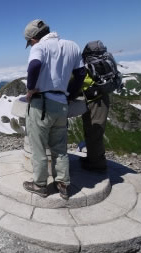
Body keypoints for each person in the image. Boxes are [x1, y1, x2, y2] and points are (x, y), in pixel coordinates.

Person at [21, 19, 86, 200]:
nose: (31, 44)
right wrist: (71, 93)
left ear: (34, 38)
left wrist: (31, 88)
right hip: (61, 104)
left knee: (39, 146)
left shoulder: (39, 47)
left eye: (30, 42)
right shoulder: (72, 46)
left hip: (41, 104)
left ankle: (40, 185)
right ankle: (63, 184)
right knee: (60, 147)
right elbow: (81, 73)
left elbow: (34, 66)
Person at [79, 41, 114, 173]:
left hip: (96, 100)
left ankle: (97, 164)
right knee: (92, 131)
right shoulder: (100, 62)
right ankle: (92, 159)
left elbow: (83, 82)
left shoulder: (88, 65)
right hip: (100, 98)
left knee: (94, 132)